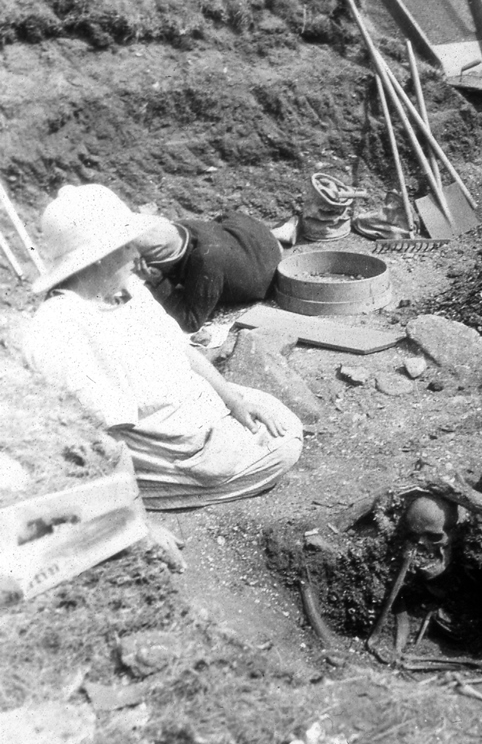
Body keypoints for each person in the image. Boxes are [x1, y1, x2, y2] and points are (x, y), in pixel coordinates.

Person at [22, 184, 304, 511]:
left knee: (276, 414)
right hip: (173, 447)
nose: (136, 256)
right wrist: (137, 518)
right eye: (126, 247)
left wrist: (234, 401)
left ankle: (212, 445)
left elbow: (183, 350)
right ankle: (155, 490)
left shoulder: (126, 289)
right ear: (98, 259)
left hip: (189, 407)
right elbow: (102, 439)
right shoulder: (61, 327)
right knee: (285, 448)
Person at [134, 209, 283, 333]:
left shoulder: (204, 261)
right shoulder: (182, 227)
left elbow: (191, 322)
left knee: (214, 257)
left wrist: (159, 283)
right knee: (220, 232)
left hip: (263, 270)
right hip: (251, 233)